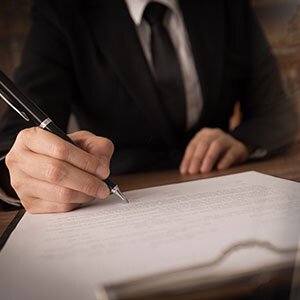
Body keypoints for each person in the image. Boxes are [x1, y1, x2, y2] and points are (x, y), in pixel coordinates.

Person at [0, 0, 298, 213]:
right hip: (116, 194)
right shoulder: (62, 11)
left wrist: (242, 141)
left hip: (224, 189)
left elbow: (279, 115)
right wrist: (18, 176)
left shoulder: (227, 6)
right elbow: (16, 139)